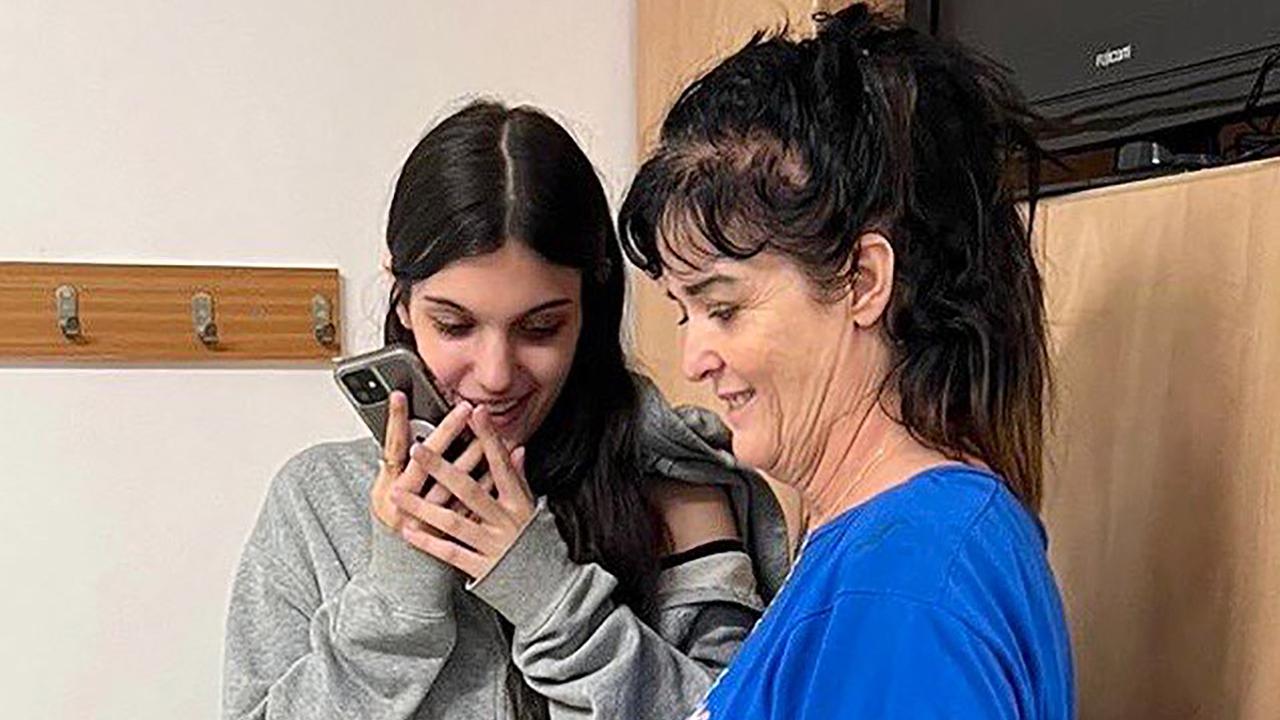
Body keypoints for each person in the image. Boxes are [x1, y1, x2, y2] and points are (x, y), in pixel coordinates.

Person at [222, 100, 790, 720]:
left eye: (540, 328)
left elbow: (743, 710)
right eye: (454, 325)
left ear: (588, 310)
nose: (494, 375)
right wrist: (396, 597)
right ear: (403, 302)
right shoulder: (317, 502)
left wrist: (548, 596)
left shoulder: (676, 481)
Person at [618, 5, 1073, 718]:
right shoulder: (883, 550)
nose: (695, 358)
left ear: (863, 281)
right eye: (684, 312)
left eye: (724, 308)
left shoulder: (908, 579)